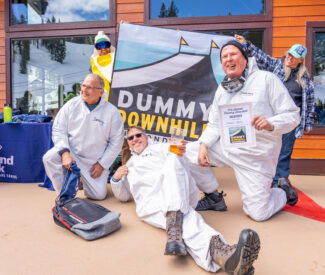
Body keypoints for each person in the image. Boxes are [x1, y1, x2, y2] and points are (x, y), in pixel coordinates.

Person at [111, 126, 260, 275]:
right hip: (153, 205)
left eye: (138, 135)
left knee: (174, 157)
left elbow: (178, 156)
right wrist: (116, 179)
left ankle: (174, 227)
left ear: (146, 138)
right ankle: (226, 257)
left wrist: (178, 150)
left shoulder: (160, 148)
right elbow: (123, 196)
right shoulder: (128, 167)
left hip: (178, 190)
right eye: (130, 138)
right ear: (128, 143)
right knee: (188, 220)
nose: (135, 139)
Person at [193, 40, 300, 222]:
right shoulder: (222, 89)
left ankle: (282, 192)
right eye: (224, 57)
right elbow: (215, 124)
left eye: (233, 54)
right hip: (228, 149)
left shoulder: (267, 80)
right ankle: (213, 197)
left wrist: (271, 123)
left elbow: (293, 115)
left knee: (258, 213)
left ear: (245, 59)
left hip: (256, 157)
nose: (228, 59)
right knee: (185, 154)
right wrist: (203, 145)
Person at [234, 35, 314, 188]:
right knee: (268, 149)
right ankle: (265, 178)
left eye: (294, 56)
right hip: (271, 118)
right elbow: (261, 57)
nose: (289, 58)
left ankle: (280, 181)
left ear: (300, 60)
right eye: (289, 54)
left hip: (289, 121)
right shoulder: (277, 65)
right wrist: (247, 44)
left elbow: (308, 104)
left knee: (284, 152)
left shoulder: (305, 80)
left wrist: (307, 125)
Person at [43, 74, 124, 200]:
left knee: (98, 196)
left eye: (89, 87)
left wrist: (102, 164)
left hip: (93, 162)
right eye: (83, 86)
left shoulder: (112, 112)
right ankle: (64, 195)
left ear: (101, 92)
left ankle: (80, 181)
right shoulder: (71, 105)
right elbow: (59, 129)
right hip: (71, 154)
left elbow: (116, 142)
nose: (84, 90)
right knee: (49, 158)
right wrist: (65, 153)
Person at [90, 31, 115, 98]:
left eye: (106, 45)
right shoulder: (94, 64)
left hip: (120, 99)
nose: (103, 49)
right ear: (96, 48)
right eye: (99, 46)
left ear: (110, 46)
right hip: (104, 101)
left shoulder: (117, 58)